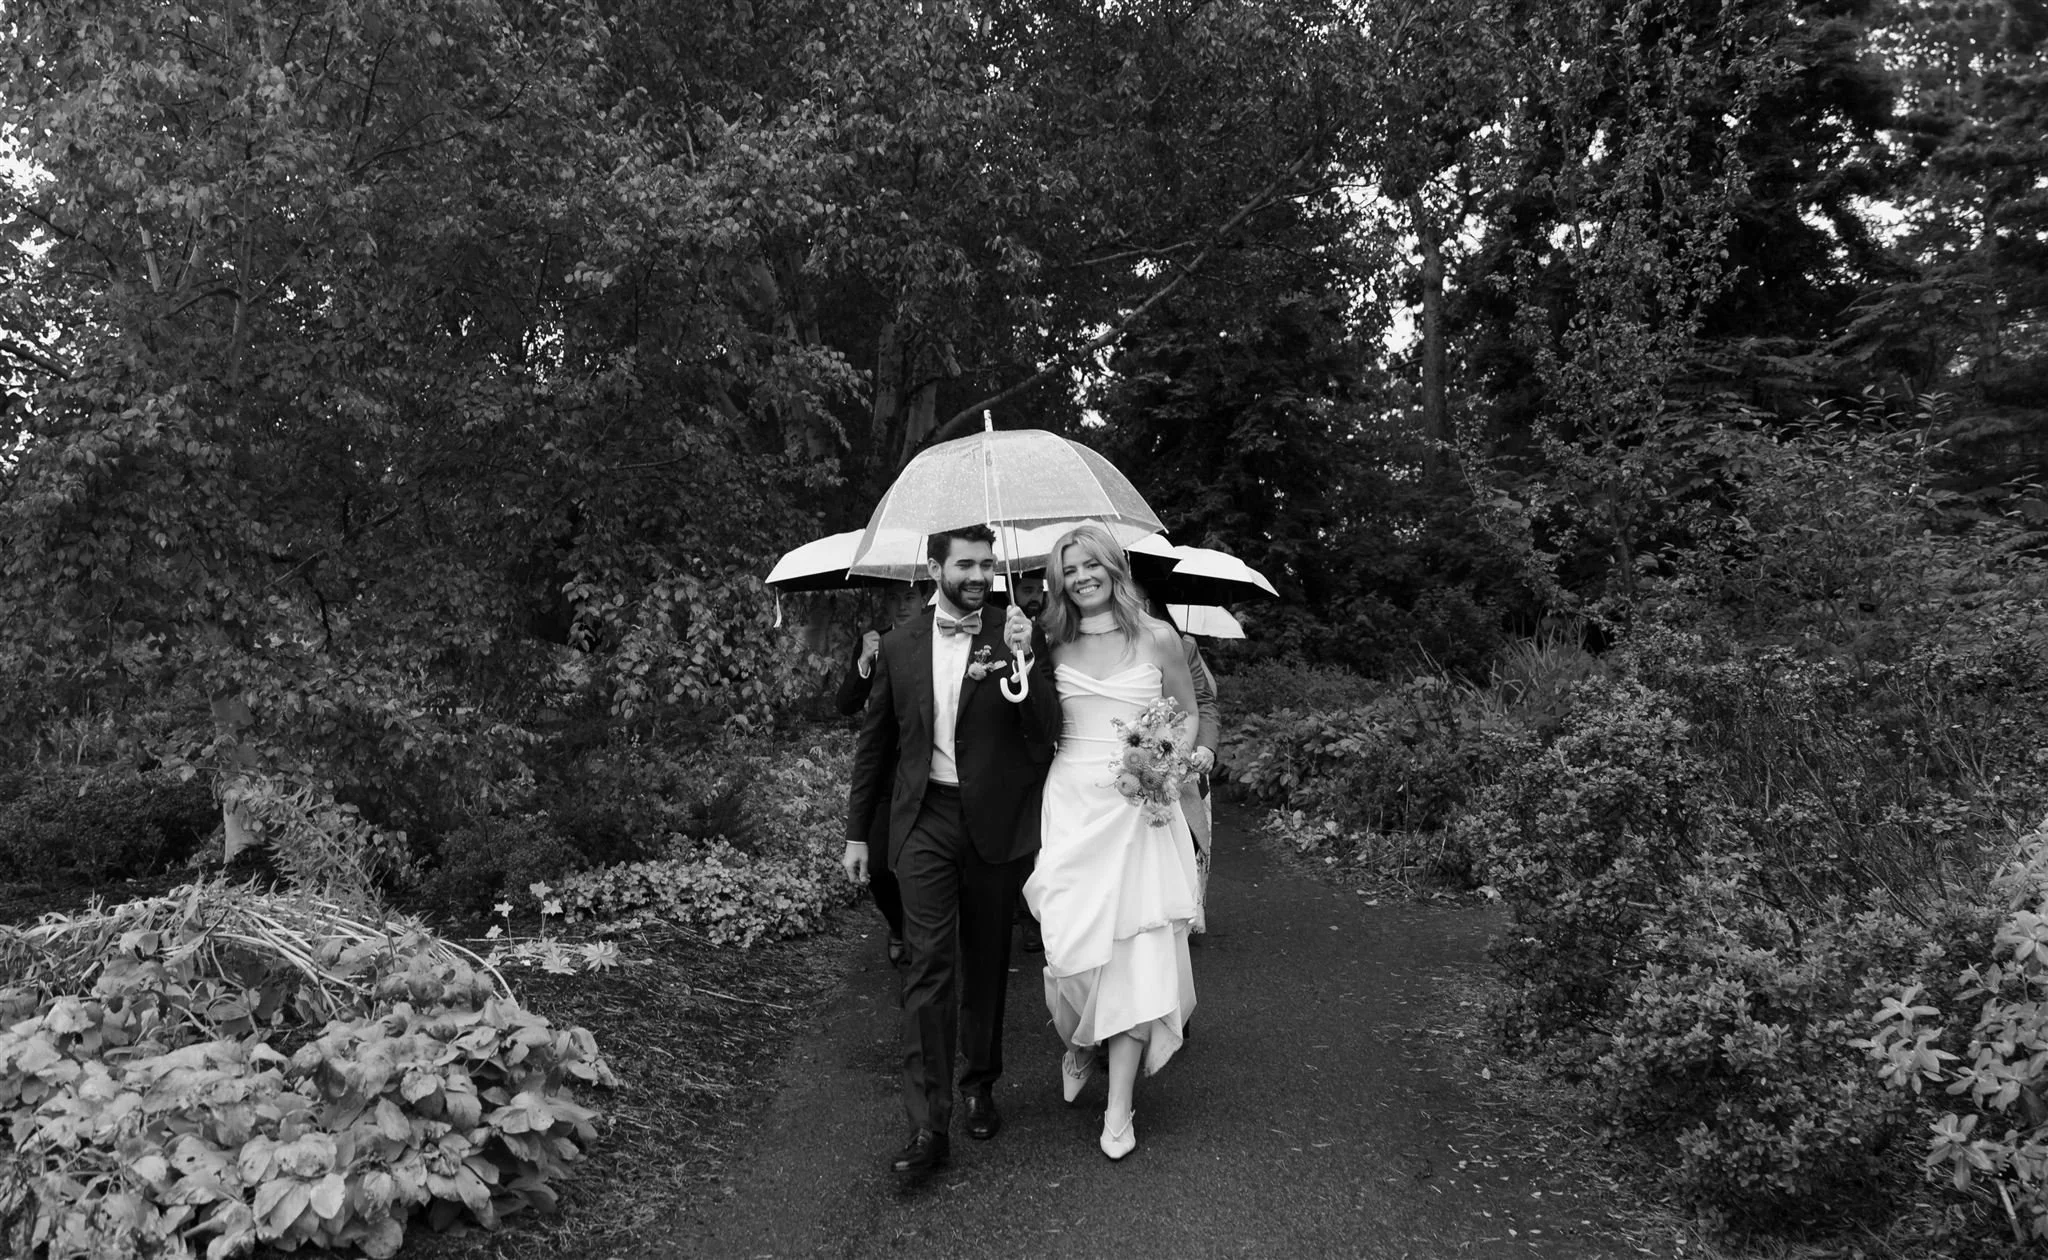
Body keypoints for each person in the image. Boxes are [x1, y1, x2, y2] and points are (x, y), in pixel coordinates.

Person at [842, 525, 1060, 1179]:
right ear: (933, 567)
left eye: (986, 563)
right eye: (965, 563)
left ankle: (978, 1083)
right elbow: (876, 742)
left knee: (987, 962)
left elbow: (1046, 733)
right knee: (929, 966)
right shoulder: (901, 644)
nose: (978, 574)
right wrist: (858, 833)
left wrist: (1024, 662)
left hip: (995, 822)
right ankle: (927, 1123)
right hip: (925, 821)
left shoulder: (1015, 630)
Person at [1023, 523, 1201, 1161]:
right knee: (1066, 949)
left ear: (1113, 568)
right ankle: (1077, 1039)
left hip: (1139, 814)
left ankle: (1119, 1107)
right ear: (1058, 581)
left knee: (1136, 955)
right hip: (1072, 804)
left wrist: (1166, 766)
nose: (1081, 577)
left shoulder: (1158, 637)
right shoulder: (1048, 641)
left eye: (1090, 564)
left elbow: (1185, 715)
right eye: (1068, 570)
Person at [835, 579, 930, 966]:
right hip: (884, 772)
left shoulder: (936, 641)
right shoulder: (874, 641)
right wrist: (864, 663)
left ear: (926, 598)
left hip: (925, 769)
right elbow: (845, 704)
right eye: (893, 599)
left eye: (908, 597)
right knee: (877, 864)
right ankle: (898, 924)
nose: (900, 606)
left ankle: (928, 935)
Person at [1143, 595, 1221, 935]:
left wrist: (1203, 746)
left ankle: (1184, 913)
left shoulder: (1180, 643)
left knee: (1184, 839)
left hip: (1177, 758)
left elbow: (1202, 702)